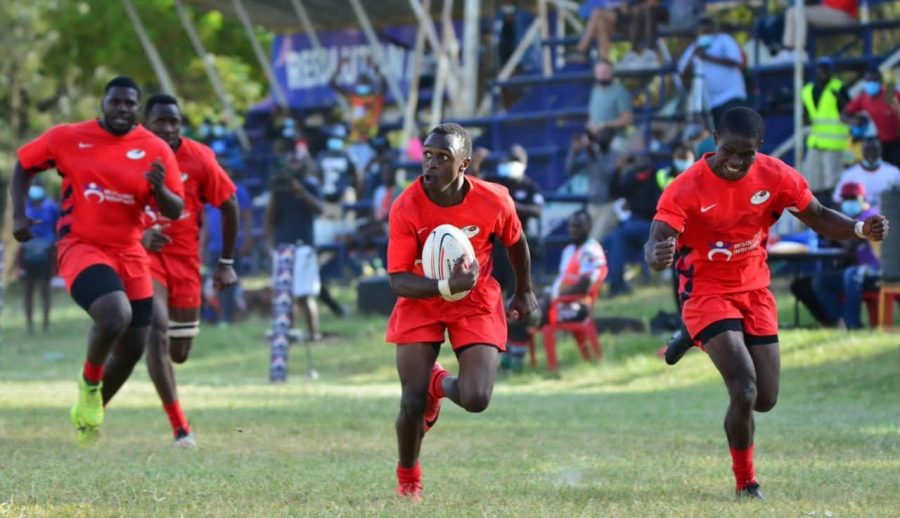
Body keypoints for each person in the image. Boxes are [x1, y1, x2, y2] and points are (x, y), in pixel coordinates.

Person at [646, 107, 888, 498]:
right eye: (729, 152)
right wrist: (656, 254)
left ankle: (692, 334)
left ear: (760, 147)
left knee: (765, 400)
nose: (737, 163)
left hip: (755, 290)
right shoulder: (685, 187)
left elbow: (819, 215)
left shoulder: (776, 176)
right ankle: (747, 484)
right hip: (706, 291)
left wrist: (860, 228)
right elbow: (656, 239)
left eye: (747, 154)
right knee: (743, 388)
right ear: (713, 140)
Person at [10, 76, 184, 444]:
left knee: (134, 347)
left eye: (130, 103)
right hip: (81, 245)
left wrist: (159, 188)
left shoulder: (154, 148)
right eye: (116, 101)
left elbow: (176, 207)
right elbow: (23, 165)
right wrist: (18, 215)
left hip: (131, 251)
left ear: (138, 108)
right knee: (113, 315)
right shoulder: (68, 137)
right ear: (103, 104)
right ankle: (89, 384)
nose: (122, 108)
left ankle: (88, 417)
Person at [386, 123, 538, 499]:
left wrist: (524, 291)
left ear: (464, 163)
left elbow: (516, 243)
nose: (431, 164)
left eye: (443, 157)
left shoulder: (495, 199)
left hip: (474, 299)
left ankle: (440, 384)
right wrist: (443, 286)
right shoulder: (406, 205)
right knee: (411, 401)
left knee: (476, 399)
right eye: (427, 155)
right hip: (422, 298)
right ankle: (409, 480)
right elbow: (398, 279)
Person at [106, 94, 238, 447]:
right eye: (160, 121)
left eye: (173, 122)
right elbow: (105, 205)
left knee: (178, 352)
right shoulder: (127, 153)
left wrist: (225, 263)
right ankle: (181, 428)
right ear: (145, 123)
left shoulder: (198, 158)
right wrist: (136, 235)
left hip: (186, 263)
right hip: (142, 257)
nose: (167, 128)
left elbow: (229, 205)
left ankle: (95, 384)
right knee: (157, 331)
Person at [505, 210, 607, 371]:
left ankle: (514, 365)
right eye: (572, 226)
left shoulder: (591, 251)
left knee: (523, 313)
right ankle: (509, 361)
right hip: (558, 303)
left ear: (589, 227)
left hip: (576, 307)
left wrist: (554, 297)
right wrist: (546, 294)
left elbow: (586, 285)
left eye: (579, 226)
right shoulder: (569, 250)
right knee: (513, 307)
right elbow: (563, 282)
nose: (574, 229)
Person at [265, 154, 324, 342]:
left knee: (305, 294)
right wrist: (268, 245)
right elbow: (270, 218)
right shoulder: (279, 187)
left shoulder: (310, 184)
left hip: (304, 246)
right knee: (285, 294)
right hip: (283, 247)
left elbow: (319, 209)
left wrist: (300, 191)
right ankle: (289, 333)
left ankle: (314, 334)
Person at [810, 182, 882, 329]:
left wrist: (831, 231)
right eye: (846, 198)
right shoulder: (849, 219)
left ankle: (852, 325)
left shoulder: (871, 217)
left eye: (853, 198)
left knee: (851, 274)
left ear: (863, 198)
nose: (849, 202)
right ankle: (840, 322)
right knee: (821, 282)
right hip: (858, 270)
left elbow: (850, 242)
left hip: (877, 271)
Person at [485, 145, 544, 296]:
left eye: (516, 160)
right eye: (510, 159)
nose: (513, 163)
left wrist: (512, 206)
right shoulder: (497, 182)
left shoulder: (530, 186)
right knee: (493, 286)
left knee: (516, 287)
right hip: (496, 244)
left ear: (524, 163)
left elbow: (537, 210)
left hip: (518, 243)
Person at [677, 17, 748, 129]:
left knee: (735, 132)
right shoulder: (694, 48)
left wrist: (707, 57)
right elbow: (683, 75)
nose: (705, 35)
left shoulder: (724, 40)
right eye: (702, 32)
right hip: (710, 103)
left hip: (731, 96)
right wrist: (693, 57)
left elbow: (736, 61)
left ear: (714, 30)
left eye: (708, 32)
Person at [801, 58, 850, 193]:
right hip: (815, 143)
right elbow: (806, 114)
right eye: (821, 68)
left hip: (834, 144)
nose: (824, 72)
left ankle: (833, 210)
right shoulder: (807, 90)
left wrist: (840, 99)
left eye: (827, 69)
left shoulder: (838, 88)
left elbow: (849, 109)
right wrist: (806, 120)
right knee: (813, 182)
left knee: (832, 183)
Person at [19, 179, 59, 335]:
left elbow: (58, 228)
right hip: (28, 250)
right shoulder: (25, 206)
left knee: (44, 288)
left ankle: (46, 324)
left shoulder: (52, 208)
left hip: (46, 251)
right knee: (28, 288)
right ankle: (29, 324)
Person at [844, 69, 900, 167]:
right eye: (868, 81)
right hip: (881, 142)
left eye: (874, 81)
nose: (871, 84)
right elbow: (845, 115)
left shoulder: (889, 94)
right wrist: (853, 121)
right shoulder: (863, 97)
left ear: (880, 82)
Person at [773, 0, 857, 64]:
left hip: (844, 14)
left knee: (799, 12)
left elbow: (840, 5)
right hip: (832, 10)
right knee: (791, 11)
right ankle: (789, 51)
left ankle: (800, 51)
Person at [832, 138, 900, 212]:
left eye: (874, 150)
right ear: (862, 152)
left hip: (889, 217)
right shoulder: (849, 174)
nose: (871, 153)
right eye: (867, 150)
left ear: (880, 151)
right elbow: (837, 200)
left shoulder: (893, 172)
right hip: (859, 219)